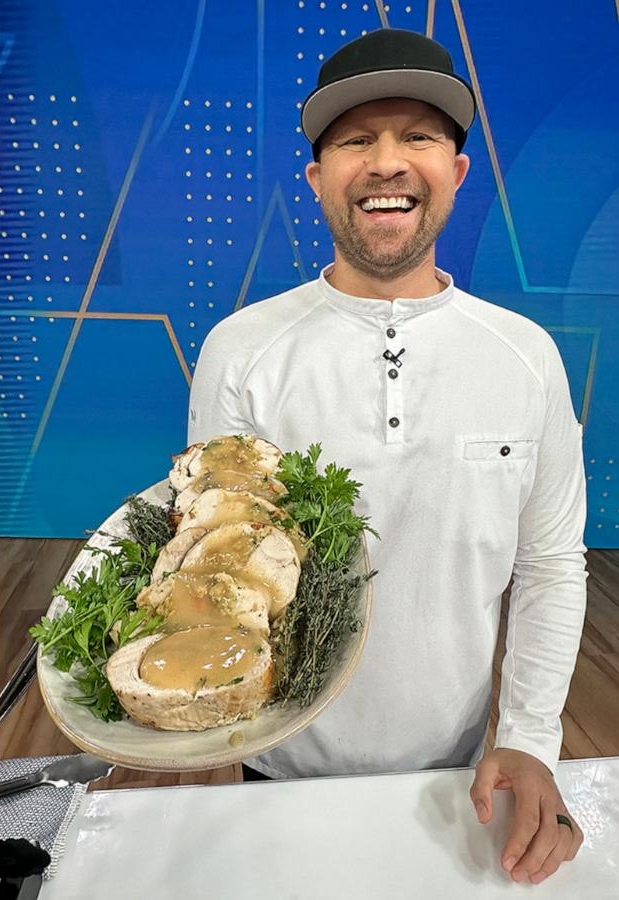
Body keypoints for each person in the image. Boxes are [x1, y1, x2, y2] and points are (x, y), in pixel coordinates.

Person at [186, 29, 588, 885]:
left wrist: (529, 738)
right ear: (316, 177)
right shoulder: (242, 349)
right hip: (277, 761)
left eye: (419, 136)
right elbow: (211, 565)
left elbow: (550, 565)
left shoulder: (525, 356)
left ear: (458, 171)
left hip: (459, 773)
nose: (387, 162)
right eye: (355, 140)